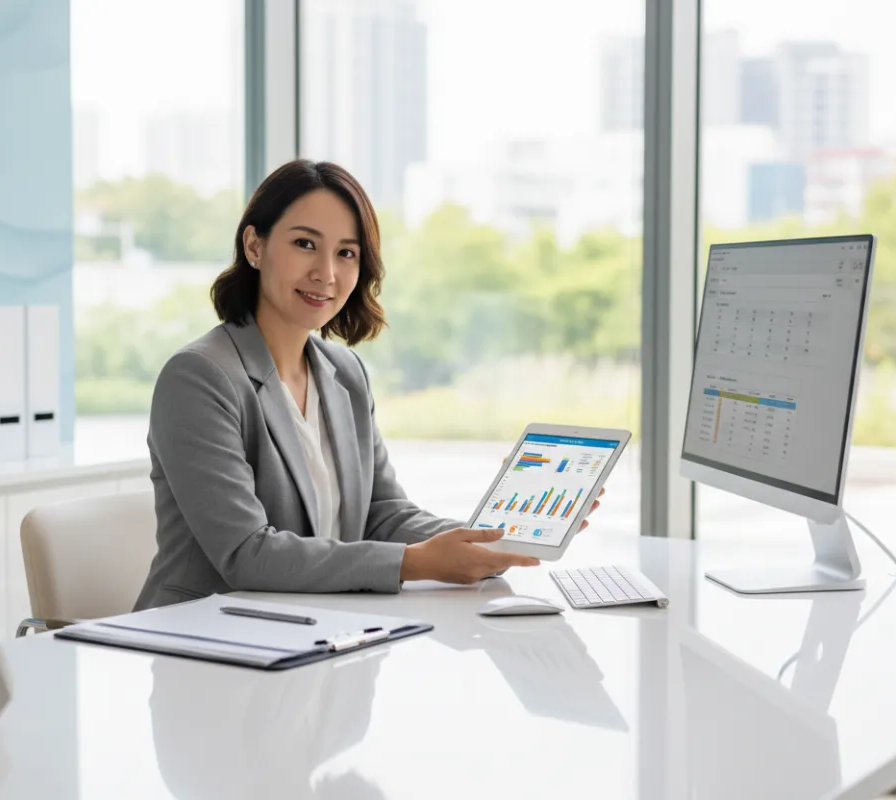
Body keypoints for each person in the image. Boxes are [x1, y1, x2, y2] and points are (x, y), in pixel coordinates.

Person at [133, 160, 601, 610]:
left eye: (346, 253)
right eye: (304, 244)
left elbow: (383, 513)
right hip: (202, 635)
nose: (326, 273)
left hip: (311, 627)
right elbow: (246, 554)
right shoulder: (199, 377)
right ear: (255, 246)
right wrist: (414, 563)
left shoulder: (345, 372)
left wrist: (493, 539)